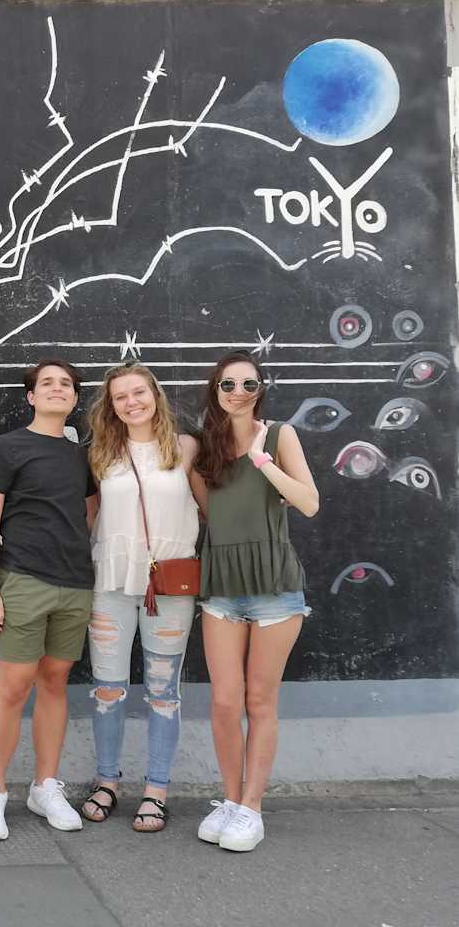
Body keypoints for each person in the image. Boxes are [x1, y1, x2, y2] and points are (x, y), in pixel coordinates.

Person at [190, 350, 319, 853]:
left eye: (249, 384)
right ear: (215, 392)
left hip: (274, 588)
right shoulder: (205, 448)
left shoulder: (281, 435)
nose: (239, 393)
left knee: (260, 701)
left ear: (260, 389)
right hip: (221, 585)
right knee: (224, 702)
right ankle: (229, 800)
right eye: (228, 386)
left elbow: (308, 502)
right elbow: (210, 514)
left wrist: (264, 461)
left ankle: (252, 808)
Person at [0, 358, 98, 841]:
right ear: (31, 396)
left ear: (73, 398)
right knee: (13, 684)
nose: (56, 389)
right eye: (46, 383)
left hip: (75, 584)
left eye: (65, 384)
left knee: (55, 681)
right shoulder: (8, 447)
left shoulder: (80, 457)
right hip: (22, 581)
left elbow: (87, 515)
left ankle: (45, 786)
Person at [79, 362, 200, 833]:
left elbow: (211, 508)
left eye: (138, 392)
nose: (132, 402)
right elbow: (88, 518)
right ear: (110, 407)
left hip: (168, 587)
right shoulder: (100, 454)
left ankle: (156, 790)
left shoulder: (185, 448)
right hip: (109, 584)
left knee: (163, 694)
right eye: (120, 397)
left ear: (155, 395)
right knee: (108, 691)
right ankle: (107, 781)